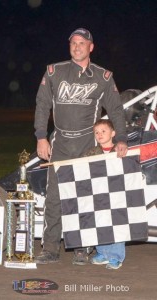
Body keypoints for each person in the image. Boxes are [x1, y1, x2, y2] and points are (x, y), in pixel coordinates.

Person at [34, 28, 128, 265]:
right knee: (55, 196)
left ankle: (81, 247)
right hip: (61, 143)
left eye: (82, 43)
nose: (77, 47)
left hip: (88, 144)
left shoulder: (103, 77)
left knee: (85, 196)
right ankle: (50, 247)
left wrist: (122, 139)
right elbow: (42, 105)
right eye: (73, 43)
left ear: (91, 47)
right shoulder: (54, 72)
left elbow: (116, 109)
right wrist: (41, 137)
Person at [81, 119, 125, 269]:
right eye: (97, 132)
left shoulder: (121, 151)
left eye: (103, 131)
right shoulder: (90, 153)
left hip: (117, 195)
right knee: (100, 223)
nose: (99, 134)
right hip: (98, 195)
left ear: (113, 133)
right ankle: (103, 252)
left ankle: (116, 256)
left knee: (117, 225)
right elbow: (80, 170)